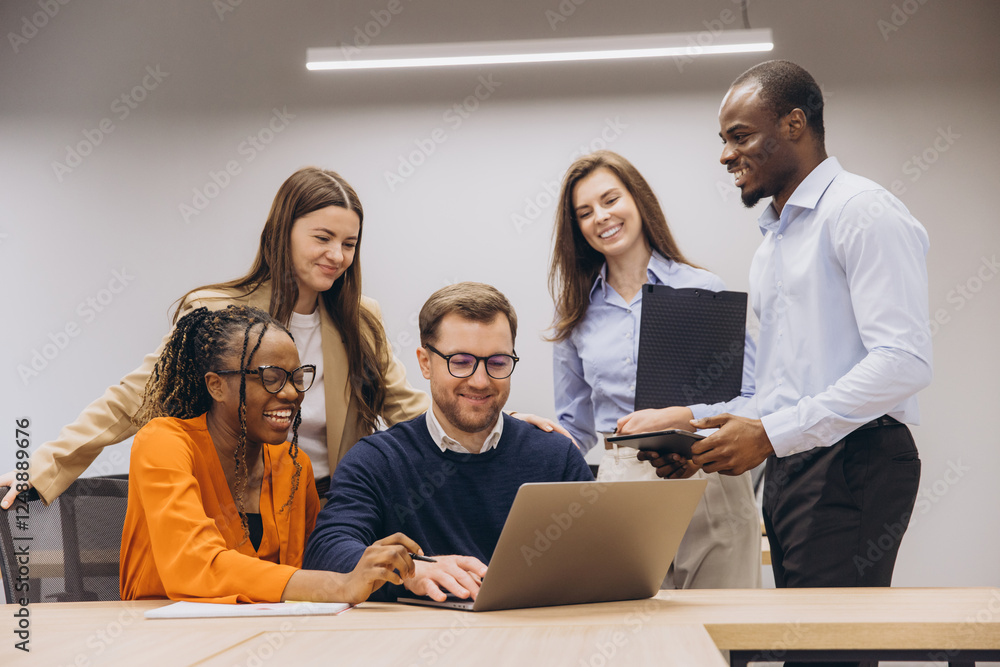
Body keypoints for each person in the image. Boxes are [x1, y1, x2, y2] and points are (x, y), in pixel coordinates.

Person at [4, 167, 563, 508]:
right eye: (322, 237)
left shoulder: (359, 321)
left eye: (349, 244)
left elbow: (408, 406)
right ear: (282, 232)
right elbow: (133, 398)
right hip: (236, 505)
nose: (337, 255)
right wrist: (46, 466)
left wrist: (497, 419)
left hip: (330, 506)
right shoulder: (216, 313)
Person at [642, 61, 931, 605]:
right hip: (792, 462)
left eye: (740, 136)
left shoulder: (861, 212)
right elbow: (777, 393)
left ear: (794, 124)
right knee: (803, 636)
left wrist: (772, 434)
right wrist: (700, 438)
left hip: (854, 459)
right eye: (724, 140)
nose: (726, 155)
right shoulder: (773, 244)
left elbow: (904, 361)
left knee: (830, 643)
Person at [549, 150, 761, 590]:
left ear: (638, 199)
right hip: (625, 483)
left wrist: (684, 416)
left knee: (721, 626)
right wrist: (528, 438)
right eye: (584, 213)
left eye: (610, 200)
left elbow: (753, 397)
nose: (600, 217)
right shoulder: (576, 314)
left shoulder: (704, 288)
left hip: (709, 474)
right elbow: (575, 428)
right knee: (633, 627)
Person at [303, 283, 593, 602]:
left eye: (498, 362)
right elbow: (326, 553)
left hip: (535, 629)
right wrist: (408, 570)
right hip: (419, 631)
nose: (480, 381)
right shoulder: (376, 461)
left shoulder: (555, 457)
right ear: (425, 363)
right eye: (461, 361)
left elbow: (605, 555)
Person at [120, 304, 423, 603]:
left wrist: (368, 564)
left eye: (297, 377)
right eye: (271, 378)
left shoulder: (293, 466)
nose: (291, 393)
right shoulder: (164, 443)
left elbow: (310, 569)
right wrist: (339, 585)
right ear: (216, 386)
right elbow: (194, 565)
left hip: (269, 630)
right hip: (160, 627)